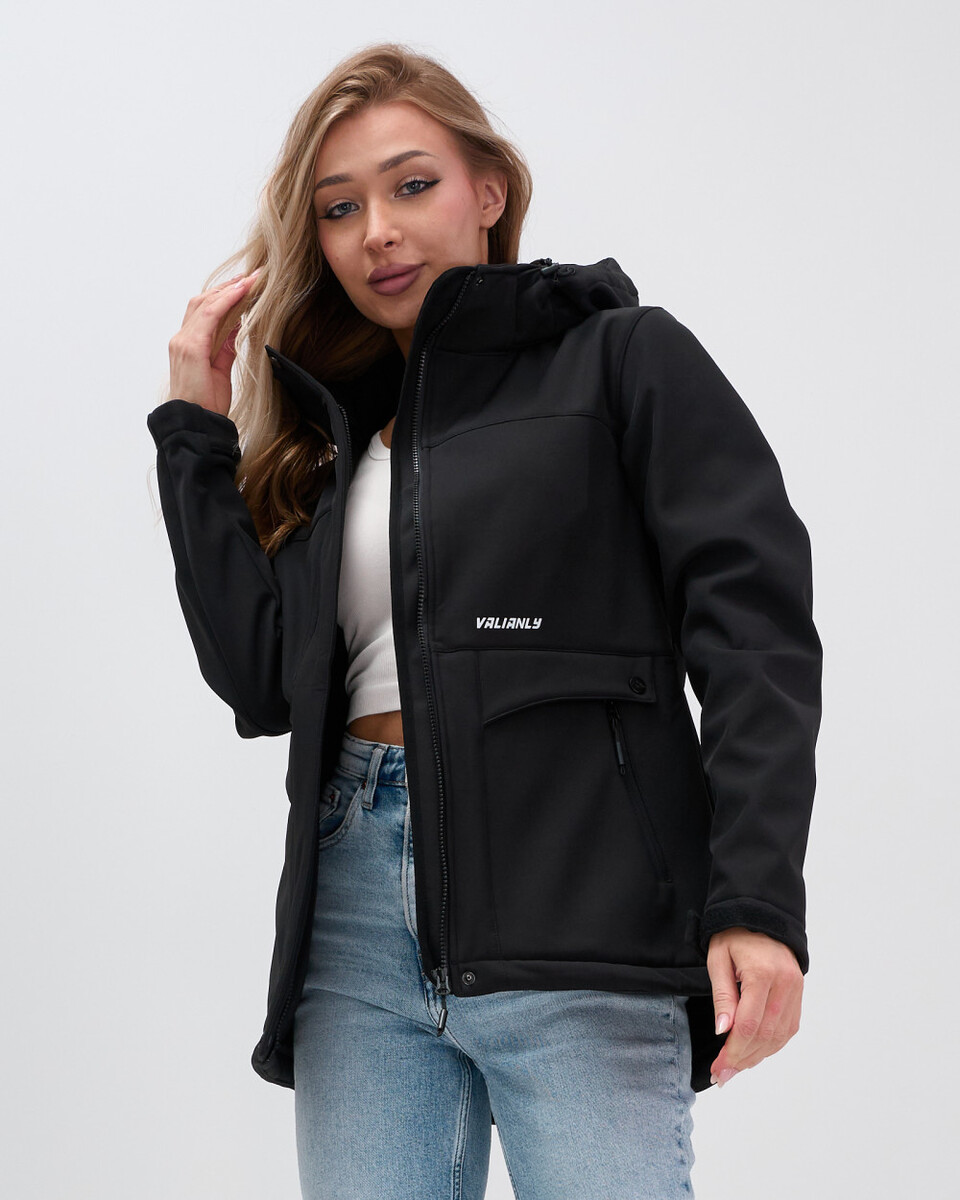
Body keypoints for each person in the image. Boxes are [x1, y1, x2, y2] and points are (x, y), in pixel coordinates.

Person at [147, 41, 822, 1200]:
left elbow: (756, 633)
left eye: (412, 185)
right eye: (340, 208)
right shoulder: (339, 444)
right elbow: (260, 681)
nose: (378, 233)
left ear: (490, 190)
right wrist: (194, 434)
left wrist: (757, 901)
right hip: (354, 920)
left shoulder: (620, 359)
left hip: (583, 906)